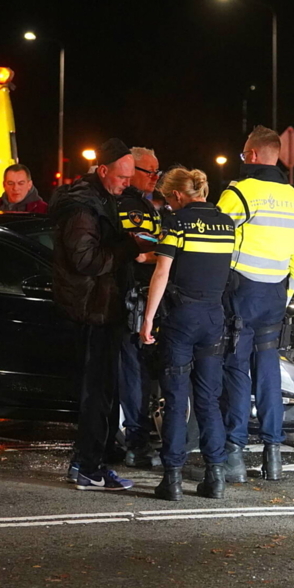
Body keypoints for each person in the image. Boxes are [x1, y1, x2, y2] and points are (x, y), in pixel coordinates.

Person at [49, 138, 156, 491]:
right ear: (105, 170)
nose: (127, 183)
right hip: (93, 310)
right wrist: (130, 247)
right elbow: (85, 260)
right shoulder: (84, 208)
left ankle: (89, 463)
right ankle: (88, 468)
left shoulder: (99, 200)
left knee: (102, 393)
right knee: (98, 394)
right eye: (123, 177)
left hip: (102, 307)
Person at [217, 125, 294, 482]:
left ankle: (235, 457)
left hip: (241, 292)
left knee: (237, 371)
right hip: (275, 295)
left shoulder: (239, 193)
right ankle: (273, 457)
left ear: (253, 155)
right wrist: (284, 294)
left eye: (244, 155)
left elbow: (218, 243)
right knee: (268, 372)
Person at [140, 168, 235, 500]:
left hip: (182, 318)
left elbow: (163, 271)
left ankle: (173, 479)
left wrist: (148, 318)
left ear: (177, 195)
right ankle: (216, 476)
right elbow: (207, 260)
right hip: (214, 316)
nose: (167, 206)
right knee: (209, 399)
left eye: (167, 200)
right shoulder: (226, 224)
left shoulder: (176, 223)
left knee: (176, 399)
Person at [118, 147, 164, 468]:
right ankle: (136, 438)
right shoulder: (132, 205)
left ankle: (137, 435)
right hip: (131, 297)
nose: (155, 178)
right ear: (131, 170)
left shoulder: (144, 203)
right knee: (134, 370)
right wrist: (164, 248)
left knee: (139, 370)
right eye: (150, 171)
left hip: (140, 295)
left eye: (157, 172)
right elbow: (142, 243)